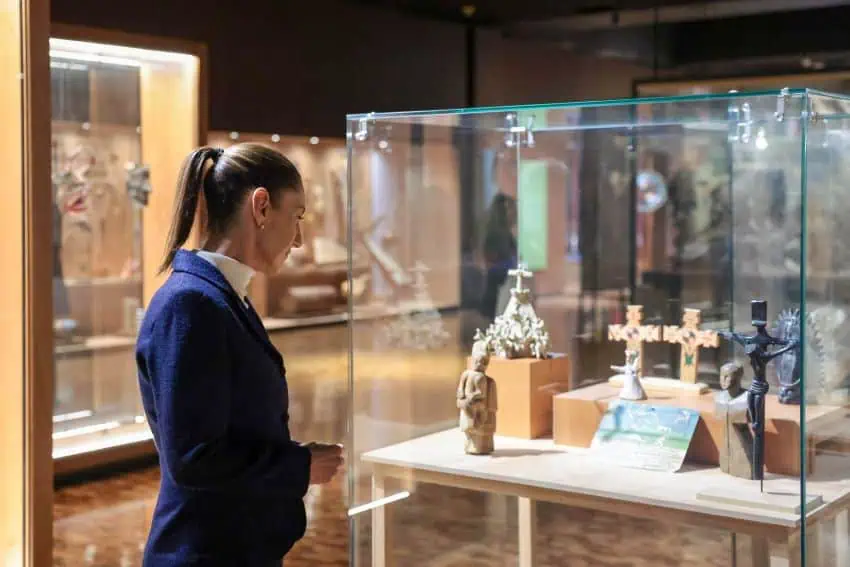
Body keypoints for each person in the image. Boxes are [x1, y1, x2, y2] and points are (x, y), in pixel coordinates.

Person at [135, 143, 344, 566]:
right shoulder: (191, 304)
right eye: (297, 217)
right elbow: (193, 458)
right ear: (262, 207)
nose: (300, 239)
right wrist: (298, 467)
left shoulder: (224, 298)